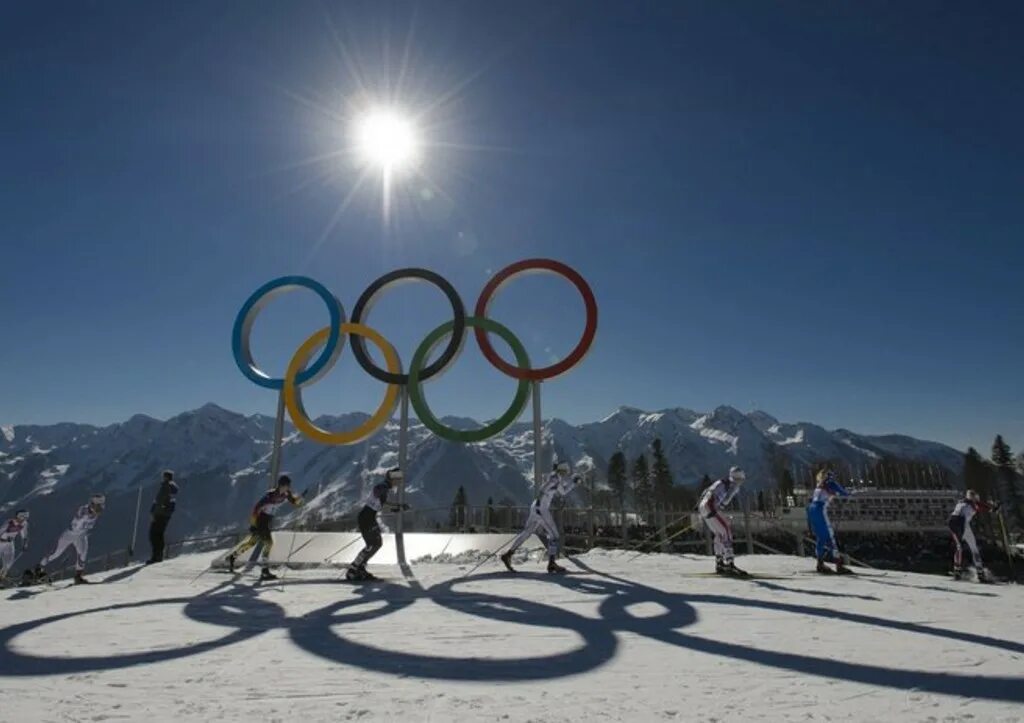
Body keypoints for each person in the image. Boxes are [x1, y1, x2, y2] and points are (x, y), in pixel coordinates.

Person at [500, 461, 581, 574]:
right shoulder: (555, 479)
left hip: (535, 508)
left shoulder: (555, 478)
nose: (566, 475)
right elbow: (544, 489)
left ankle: (508, 554)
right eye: (565, 472)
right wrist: (540, 501)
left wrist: (573, 483)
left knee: (526, 533)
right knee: (554, 536)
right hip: (541, 510)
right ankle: (551, 563)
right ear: (562, 471)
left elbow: (562, 492)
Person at [226, 474, 303, 581]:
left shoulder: (286, 494)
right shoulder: (270, 496)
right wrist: (253, 524)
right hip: (260, 520)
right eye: (287, 485)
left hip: (267, 520)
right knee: (269, 543)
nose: (289, 487)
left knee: (251, 543)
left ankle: (233, 557)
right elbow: (256, 509)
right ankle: (264, 571)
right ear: (282, 485)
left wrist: (300, 499)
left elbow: (294, 502)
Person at [347, 468, 405, 581]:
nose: (399, 482)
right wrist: (397, 507)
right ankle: (353, 569)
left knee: (375, 544)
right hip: (367, 518)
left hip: (368, 518)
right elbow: (382, 501)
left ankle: (359, 568)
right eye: (398, 479)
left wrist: (398, 507)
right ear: (392, 478)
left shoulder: (385, 487)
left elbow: (382, 503)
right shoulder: (383, 487)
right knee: (373, 544)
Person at [35, 494, 105, 584]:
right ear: (92, 505)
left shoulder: (95, 513)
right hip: (70, 534)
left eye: (100, 506)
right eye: (98, 507)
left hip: (81, 535)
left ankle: (78, 577)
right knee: (56, 553)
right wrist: (85, 517)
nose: (99, 509)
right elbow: (76, 522)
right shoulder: (83, 510)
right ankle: (39, 567)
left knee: (82, 554)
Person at [698, 466, 747, 576]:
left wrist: (702, 508)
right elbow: (727, 499)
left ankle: (719, 562)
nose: (741, 482)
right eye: (740, 479)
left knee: (719, 533)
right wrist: (720, 507)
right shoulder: (732, 485)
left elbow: (705, 492)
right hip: (711, 506)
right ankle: (730, 563)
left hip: (704, 506)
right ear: (737, 478)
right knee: (726, 531)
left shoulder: (721, 481)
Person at [806, 469, 852, 574]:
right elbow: (843, 493)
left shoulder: (819, 485)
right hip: (820, 509)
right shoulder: (830, 483)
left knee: (821, 538)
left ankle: (820, 563)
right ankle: (838, 565)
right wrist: (849, 494)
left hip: (811, 509)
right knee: (830, 537)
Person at [948, 489, 996, 582]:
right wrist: (993, 508)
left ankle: (957, 572)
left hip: (953, 524)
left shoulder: (961, 503)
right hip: (963, 525)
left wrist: (991, 508)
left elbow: (979, 506)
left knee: (959, 548)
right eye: (975, 497)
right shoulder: (972, 505)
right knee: (973, 548)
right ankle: (980, 572)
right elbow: (982, 507)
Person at [147, 470, 179, 564]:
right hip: (165, 515)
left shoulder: (165, 487)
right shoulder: (170, 488)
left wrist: (153, 512)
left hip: (160, 514)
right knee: (159, 535)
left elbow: (159, 501)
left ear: (166, 477)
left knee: (154, 535)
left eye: (163, 476)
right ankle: (159, 555)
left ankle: (156, 556)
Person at [0, 510, 29, 583]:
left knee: (9, 562)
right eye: (23, 517)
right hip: (1, 542)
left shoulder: (24, 524)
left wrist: (25, 543)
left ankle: (2, 575)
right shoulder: (9, 523)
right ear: (18, 516)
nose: (24, 519)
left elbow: (24, 534)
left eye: (26, 517)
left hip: (10, 544)